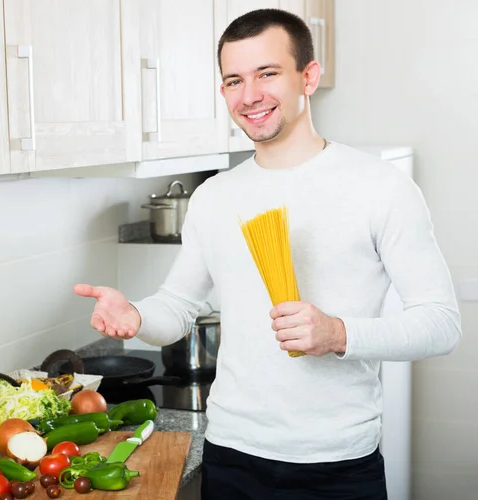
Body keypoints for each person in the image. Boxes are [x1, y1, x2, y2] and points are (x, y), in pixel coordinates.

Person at [74, 8, 461, 500]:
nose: (250, 95)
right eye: (234, 80)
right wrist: (135, 315)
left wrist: (338, 333)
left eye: (267, 73)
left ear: (309, 76)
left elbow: (441, 323)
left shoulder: (380, 187)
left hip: (337, 463)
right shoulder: (214, 196)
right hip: (232, 452)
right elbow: (176, 307)